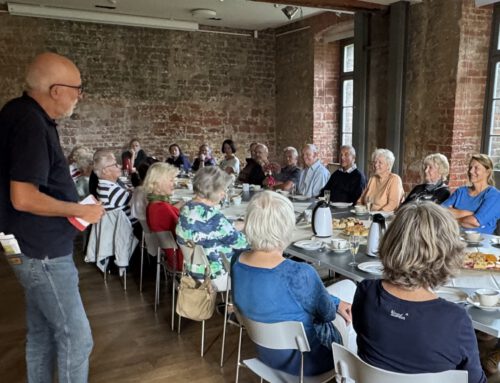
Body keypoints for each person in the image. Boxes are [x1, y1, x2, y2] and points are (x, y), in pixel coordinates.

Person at [0, 52, 104, 382]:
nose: (79, 95)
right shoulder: (31, 124)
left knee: (42, 333)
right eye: (77, 88)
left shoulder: (16, 113)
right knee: (77, 337)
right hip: (42, 253)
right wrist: (80, 209)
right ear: (56, 90)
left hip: (21, 247)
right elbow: (23, 197)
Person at [352, 202, 486, 383]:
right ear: (446, 252)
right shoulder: (455, 320)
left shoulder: (366, 292)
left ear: (391, 241)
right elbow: (476, 380)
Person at [232, 191, 354, 376]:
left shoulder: (237, 260)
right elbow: (327, 314)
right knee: (352, 295)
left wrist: (336, 302)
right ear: (286, 227)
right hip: (309, 361)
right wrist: (335, 305)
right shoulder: (299, 273)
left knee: (342, 292)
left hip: (265, 353)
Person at [176, 166, 248, 291]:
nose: (224, 194)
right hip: (216, 276)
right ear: (212, 190)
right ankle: (236, 306)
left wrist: (234, 224)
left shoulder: (187, 208)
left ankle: (230, 304)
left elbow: (208, 228)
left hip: (194, 271)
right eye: (222, 190)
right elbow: (243, 244)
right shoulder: (214, 218)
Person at [442, 154, 500, 234]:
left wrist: (453, 216)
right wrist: (471, 213)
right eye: (470, 167)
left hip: (481, 243)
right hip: (454, 239)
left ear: (487, 172)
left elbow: (475, 222)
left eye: (476, 168)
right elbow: (440, 212)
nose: (471, 171)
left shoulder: (494, 195)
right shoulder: (461, 191)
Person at [145, 163, 184, 271]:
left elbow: (171, 214)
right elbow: (185, 232)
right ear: (157, 183)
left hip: (171, 256)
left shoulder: (154, 205)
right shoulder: (162, 208)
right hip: (182, 259)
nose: (174, 183)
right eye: (171, 180)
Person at [94, 150, 136, 225]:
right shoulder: (112, 190)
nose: (120, 166)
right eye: (115, 165)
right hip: (129, 229)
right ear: (105, 171)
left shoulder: (103, 186)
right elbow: (137, 201)